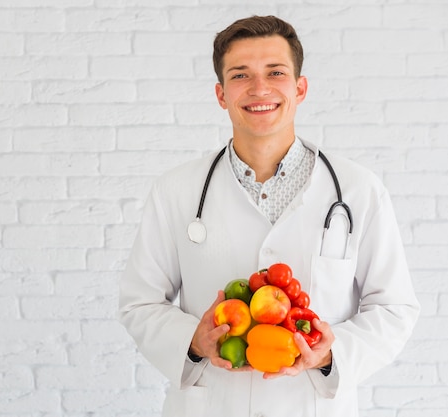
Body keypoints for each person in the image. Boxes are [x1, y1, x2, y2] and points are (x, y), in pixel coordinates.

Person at [118, 15, 420, 417]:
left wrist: (332, 356)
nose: (259, 88)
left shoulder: (359, 190)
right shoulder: (176, 191)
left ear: (300, 87)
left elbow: (394, 308)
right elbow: (140, 302)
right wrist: (194, 341)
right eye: (240, 75)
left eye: (275, 72)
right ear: (221, 94)